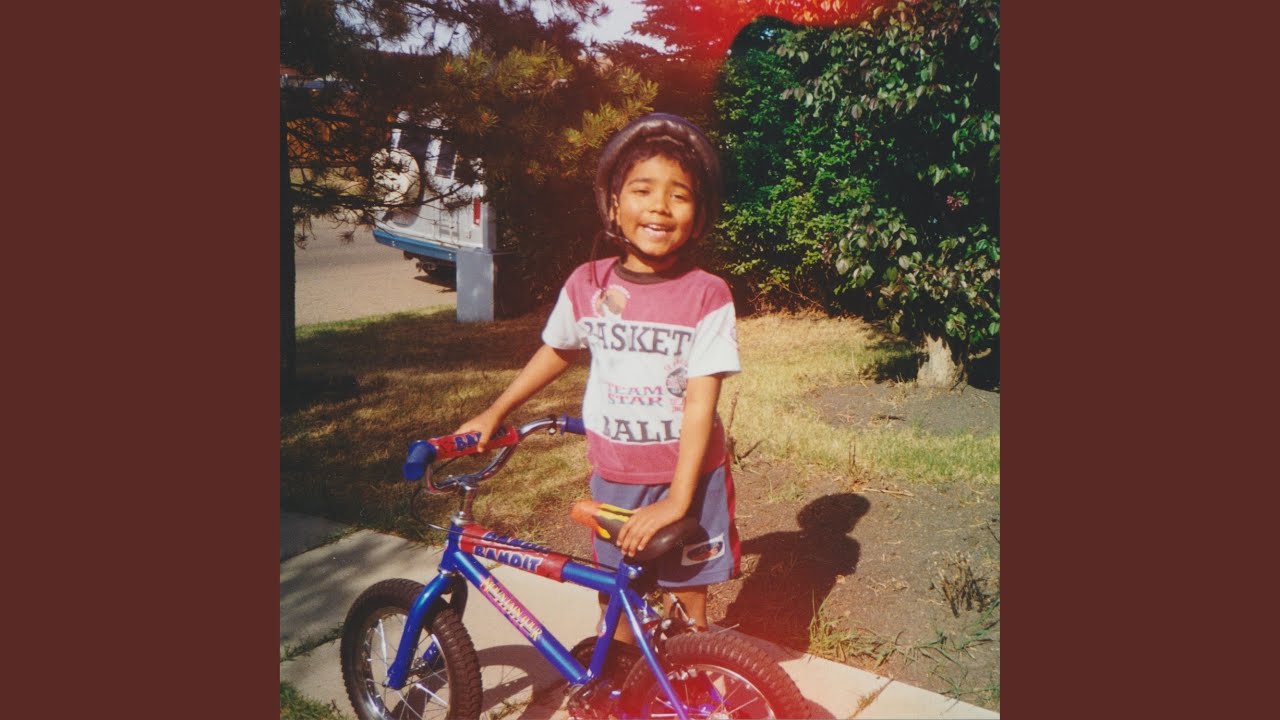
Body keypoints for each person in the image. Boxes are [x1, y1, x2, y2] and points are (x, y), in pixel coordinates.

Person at [455, 113, 741, 640]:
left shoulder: (707, 293)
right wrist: (495, 411)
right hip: (616, 477)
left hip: (691, 480)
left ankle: (693, 678)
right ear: (613, 204)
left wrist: (678, 501)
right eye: (642, 190)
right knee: (618, 605)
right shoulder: (588, 283)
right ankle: (621, 679)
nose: (660, 205)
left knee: (688, 609)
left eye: (679, 195)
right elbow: (558, 349)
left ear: (699, 215)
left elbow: (701, 403)